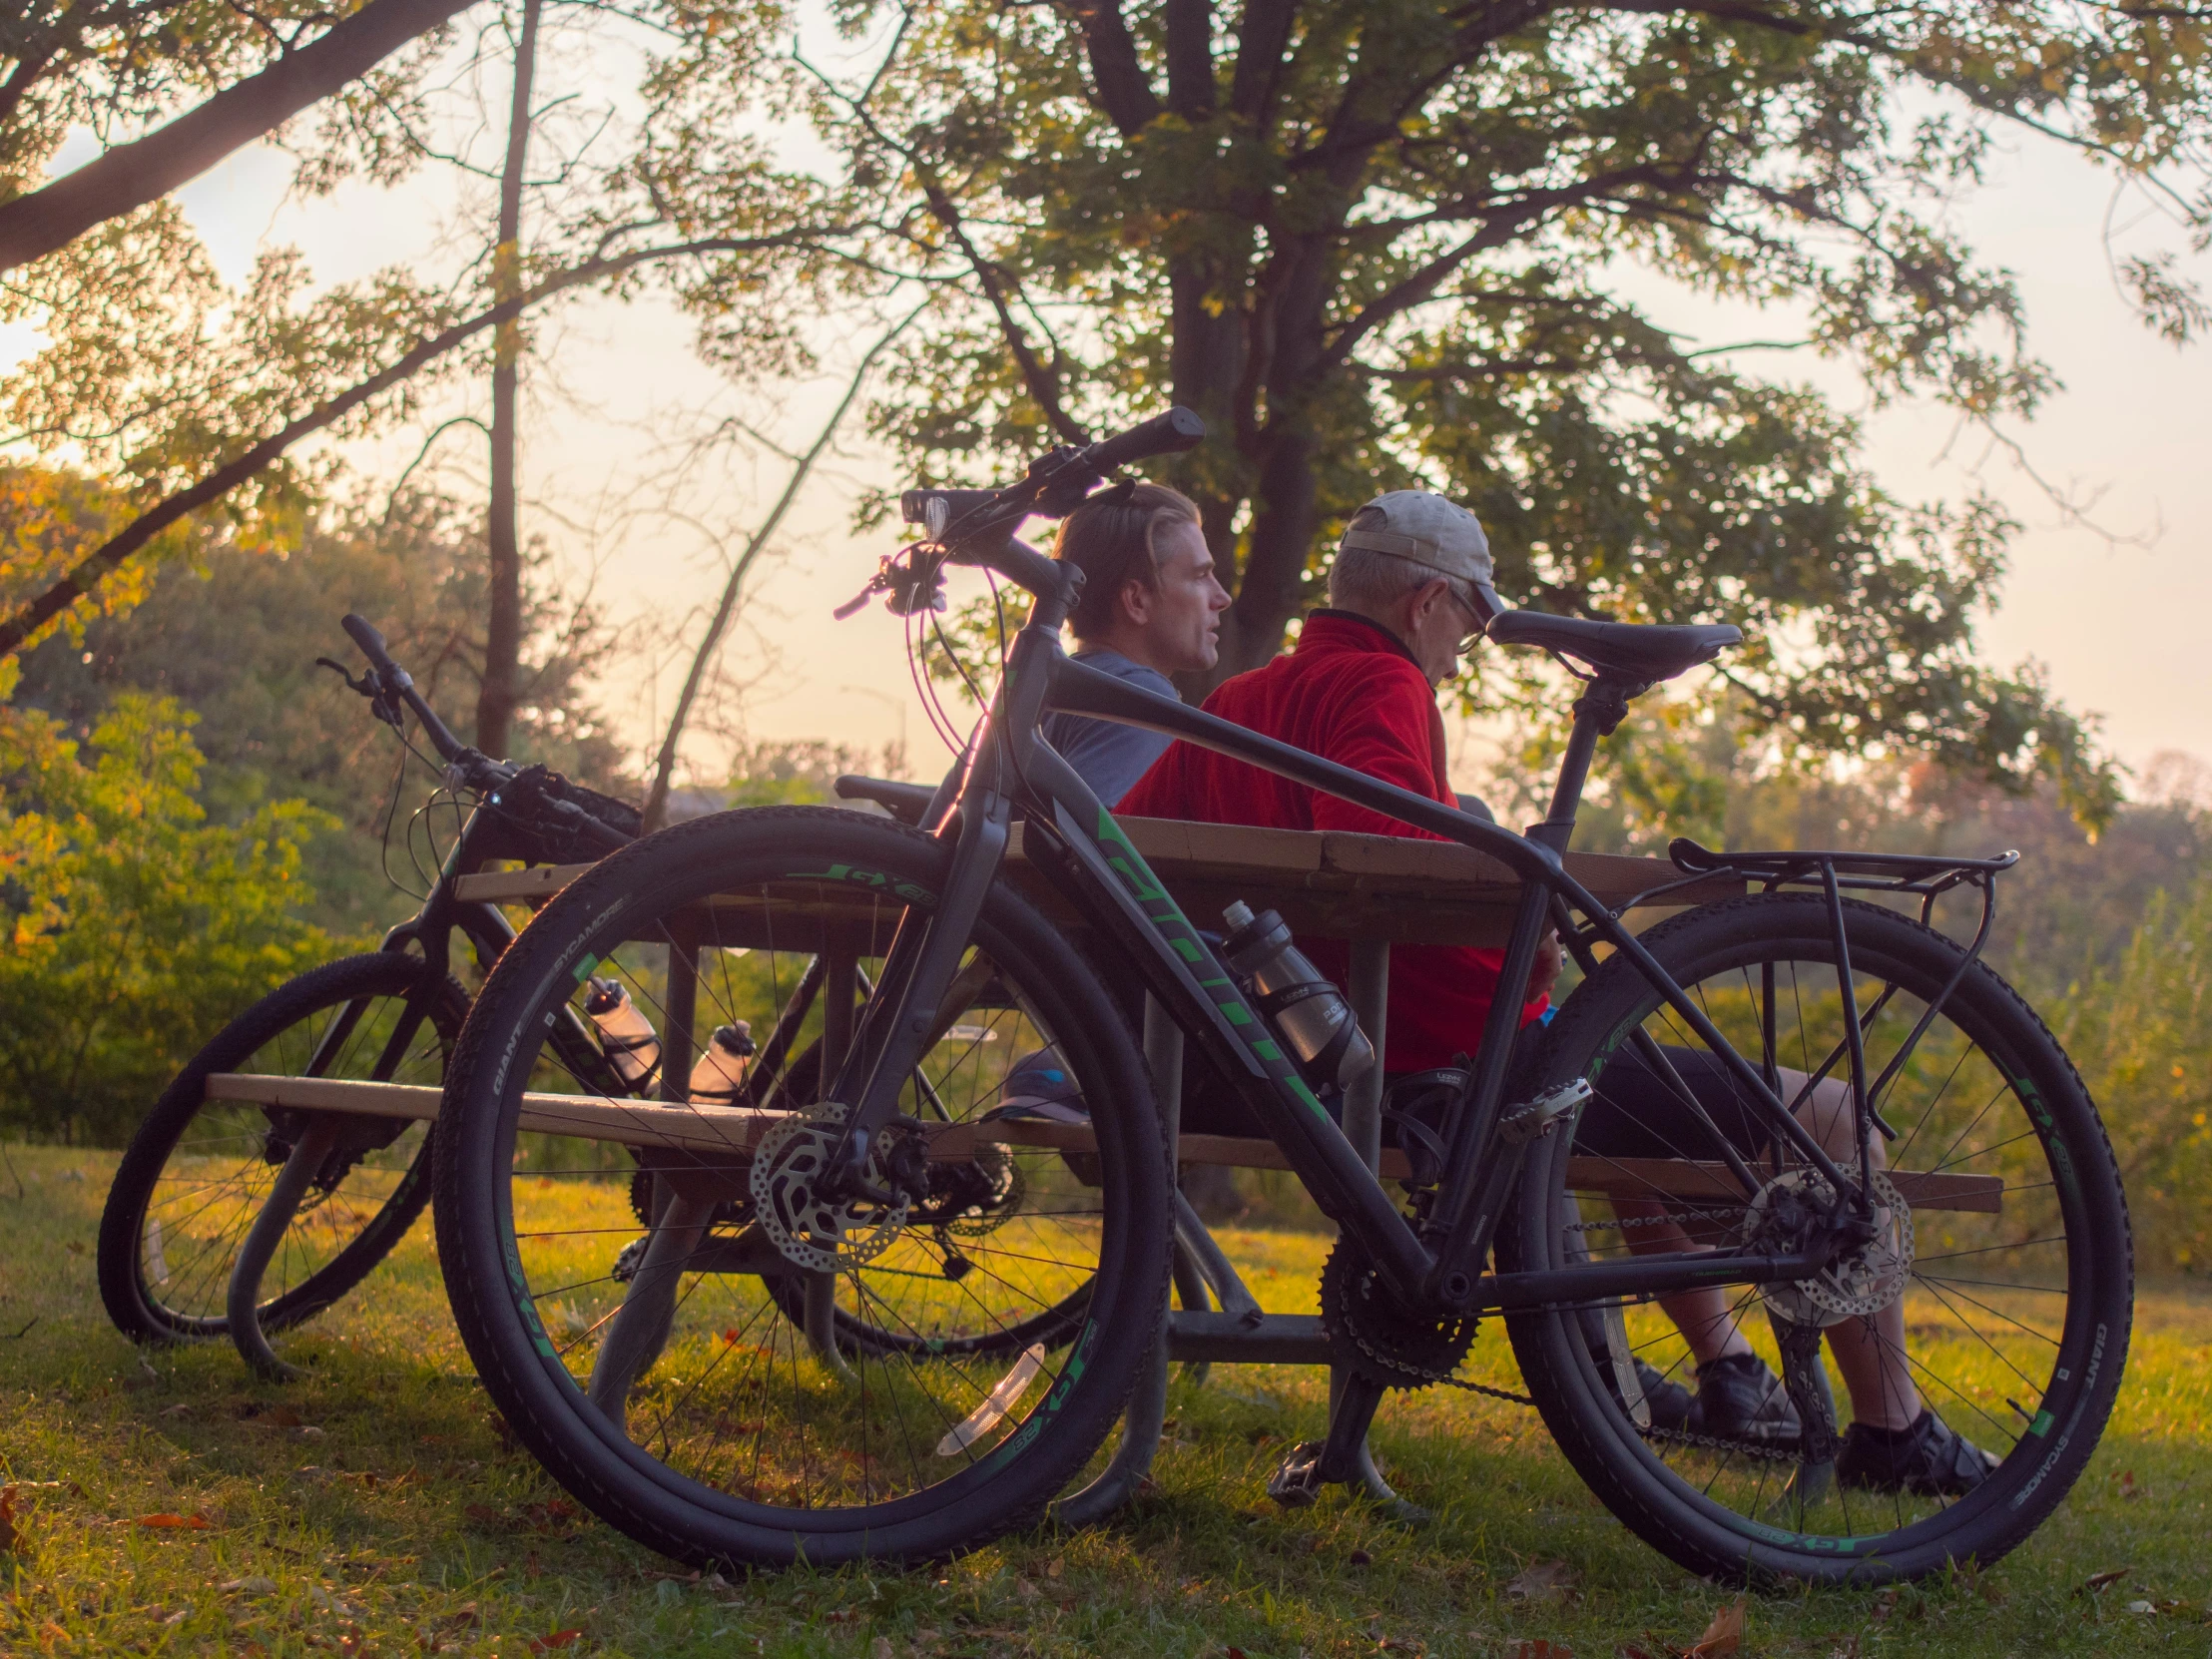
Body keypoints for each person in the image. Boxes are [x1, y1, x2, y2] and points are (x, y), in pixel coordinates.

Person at [1118, 490, 1997, 1495]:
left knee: (1624, 1087)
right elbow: (1386, 857)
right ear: (1423, 603)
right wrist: (1519, 904)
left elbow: (1126, 845)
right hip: (1444, 1070)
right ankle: (1894, 1434)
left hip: (1301, 1069)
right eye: (1471, 618)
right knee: (1835, 1122)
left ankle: (1726, 1370)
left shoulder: (1237, 700)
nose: (1467, 644)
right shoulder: (1380, 685)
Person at [1037, 480, 1231, 806]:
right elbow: (1091, 848)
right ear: (1137, 600)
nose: (1221, 597)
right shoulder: (1137, 699)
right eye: (1199, 576)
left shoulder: (1038, 692)